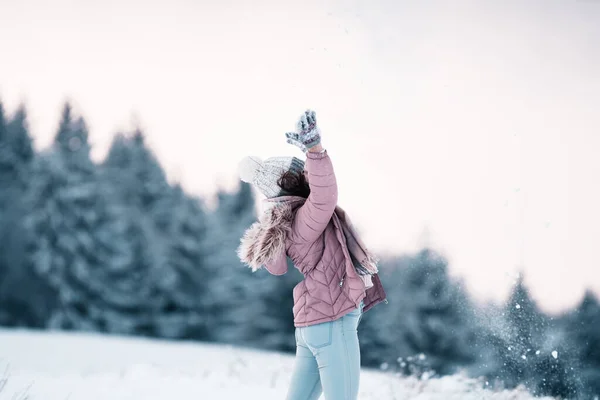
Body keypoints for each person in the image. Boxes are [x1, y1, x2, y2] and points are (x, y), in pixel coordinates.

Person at [237, 110, 387, 400]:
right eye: (300, 171)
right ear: (293, 183)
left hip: (313, 326)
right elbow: (325, 195)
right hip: (331, 321)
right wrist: (315, 152)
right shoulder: (306, 220)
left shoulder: (289, 224)